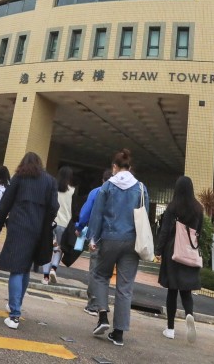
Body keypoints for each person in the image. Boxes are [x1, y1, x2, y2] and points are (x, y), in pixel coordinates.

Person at [86, 148, 149, 347]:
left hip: (109, 238)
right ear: (129, 168)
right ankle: (119, 333)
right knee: (125, 287)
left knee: (100, 275)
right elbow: (144, 214)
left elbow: (97, 214)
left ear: (114, 167)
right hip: (132, 241)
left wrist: (92, 238)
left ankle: (103, 316)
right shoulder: (140, 188)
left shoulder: (107, 187)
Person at [0, 152, 58, 330]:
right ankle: (16, 305)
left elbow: (5, 202)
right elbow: (54, 207)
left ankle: (14, 315)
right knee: (25, 268)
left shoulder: (19, 178)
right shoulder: (50, 181)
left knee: (16, 269)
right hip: (38, 229)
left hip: (18, 227)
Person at [155, 175, 203, 343]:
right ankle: (189, 314)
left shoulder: (173, 207)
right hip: (189, 252)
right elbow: (200, 233)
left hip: (173, 251)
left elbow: (165, 231)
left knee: (172, 290)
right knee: (186, 290)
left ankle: (170, 329)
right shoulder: (198, 209)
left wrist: (158, 251)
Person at [76, 169, 112, 315]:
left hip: (96, 237)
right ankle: (102, 305)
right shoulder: (119, 195)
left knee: (95, 270)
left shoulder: (96, 192)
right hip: (113, 238)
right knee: (105, 273)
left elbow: (86, 212)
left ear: (103, 180)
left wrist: (79, 226)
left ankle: (92, 305)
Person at [40, 166, 74, 285]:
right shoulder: (72, 191)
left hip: (51, 222)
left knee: (47, 249)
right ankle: (54, 269)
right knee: (59, 249)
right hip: (65, 225)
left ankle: (45, 277)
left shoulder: (53, 188)